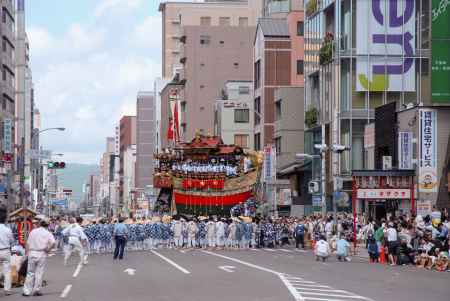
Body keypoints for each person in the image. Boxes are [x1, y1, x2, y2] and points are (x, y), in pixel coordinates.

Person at [23, 219, 56, 297]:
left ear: (40, 224)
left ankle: (26, 291)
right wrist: (48, 249)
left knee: (30, 273)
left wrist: (26, 253)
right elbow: (53, 243)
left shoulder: (33, 231)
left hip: (32, 252)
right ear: (47, 225)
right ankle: (36, 290)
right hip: (41, 253)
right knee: (39, 272)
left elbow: (27, 243)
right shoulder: (48, 233)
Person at [0, 205, 13, 295]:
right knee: (7, 271)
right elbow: (12, 241)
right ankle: (7, 290)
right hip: (5, 250)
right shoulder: (7, 229)